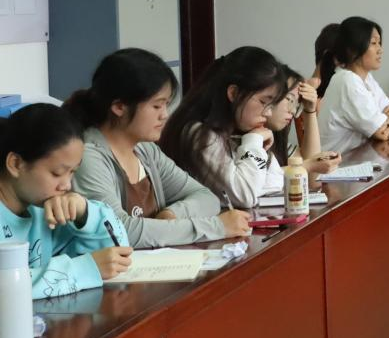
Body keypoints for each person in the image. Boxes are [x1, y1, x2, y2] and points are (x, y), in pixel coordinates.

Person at [66, 49, 252, 247]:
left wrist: (172, 214)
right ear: (119, 107)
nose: (164, 115)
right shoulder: (89, 157)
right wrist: (217, 227)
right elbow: (120, 231)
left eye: (166, 105)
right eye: (156, 106)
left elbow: (206, 198)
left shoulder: (146, 150)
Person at [0, 104, 133, 298]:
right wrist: (85, 269)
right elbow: (6, 288)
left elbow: (118, 253)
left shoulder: (43, 211)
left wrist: (84, 213)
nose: (66, 185)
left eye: (72, 172)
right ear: (16, 164)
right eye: (57, 173)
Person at [160, 46, 288, 209]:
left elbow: (276, 183)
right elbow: (245, 196)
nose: (268, 113)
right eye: (263, 102)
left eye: (272, 105)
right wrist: (253, 142)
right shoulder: (200, 134)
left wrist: (255, 145)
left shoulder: (243, 132)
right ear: (233, 93)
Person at [318, 17, 389, 155]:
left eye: (379, 43)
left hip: (358, 159)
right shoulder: (347, 81)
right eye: (373, 43)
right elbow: (383, 132)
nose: (380, 50)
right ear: (352, 50)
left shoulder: (366, 78)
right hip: (337, 165)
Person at [266, 67, 341, 187]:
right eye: (289, 99)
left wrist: (310, 110)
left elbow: (311, 176)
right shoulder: (249, 140)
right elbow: (260, 182)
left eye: (296, 104)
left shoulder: (276, 138)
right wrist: (310, 165)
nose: (293, 110)